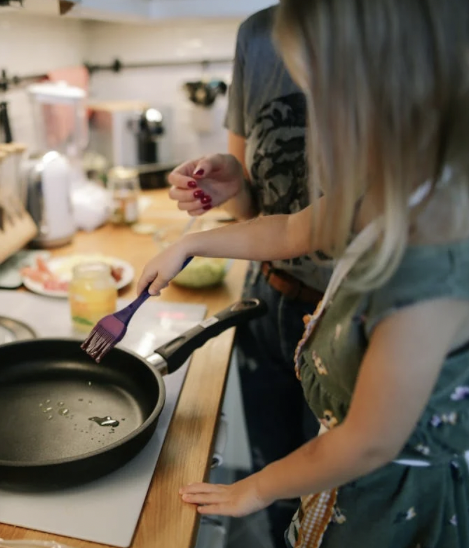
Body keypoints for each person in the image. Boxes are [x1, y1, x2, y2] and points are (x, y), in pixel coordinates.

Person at [140, 0, 469, 546]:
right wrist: (192, 245)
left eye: (325, 97)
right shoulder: (394, 187)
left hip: (392, 507)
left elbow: (368, 443)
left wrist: (259, 488)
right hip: (346, 481)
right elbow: (290, 231)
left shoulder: (431, 263)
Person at [168, 5, 329, 546]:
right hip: (271, 300)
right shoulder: (261, 34)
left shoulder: (416, 30)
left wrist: (193, 242)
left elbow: (368, 443)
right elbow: (273, 221)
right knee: (277, 480)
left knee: (333, 499)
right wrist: (230, 184)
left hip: (355, 316)